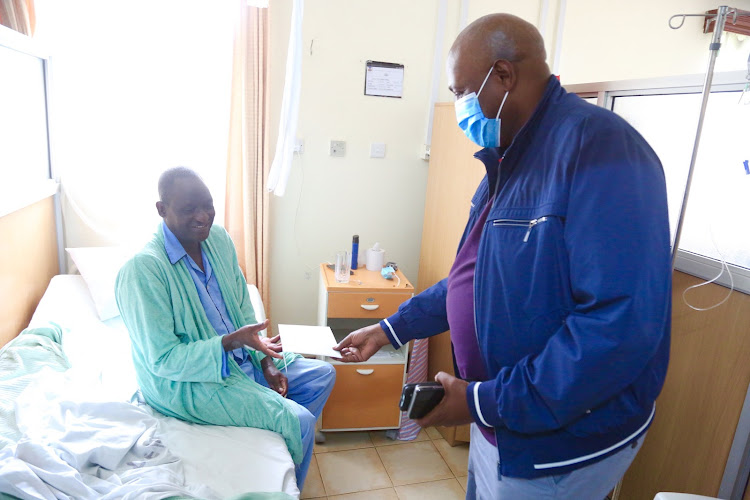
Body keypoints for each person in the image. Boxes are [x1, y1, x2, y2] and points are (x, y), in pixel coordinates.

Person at [334, 13, 671, 500]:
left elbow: (617, 327)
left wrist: (482, 400)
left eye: (461, 91)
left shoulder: (601, 149)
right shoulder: (508, 158)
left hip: (553, 443)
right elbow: (472, 279)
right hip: (501, 419)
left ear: (505, 76)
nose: (459, 107)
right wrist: (389, 329)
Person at [115, 166, 335, 490]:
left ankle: (274, 426)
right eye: (189, 209)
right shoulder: (143, 270)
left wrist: (266, 361)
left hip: (242, 357)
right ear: (162, 210)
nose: (203, 216)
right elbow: (162, 360)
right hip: (190, 380)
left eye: (208, 205)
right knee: (299, 421)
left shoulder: (217, 239)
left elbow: (243, 307)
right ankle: (290, 474)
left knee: (322, 375)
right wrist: (230, 343)